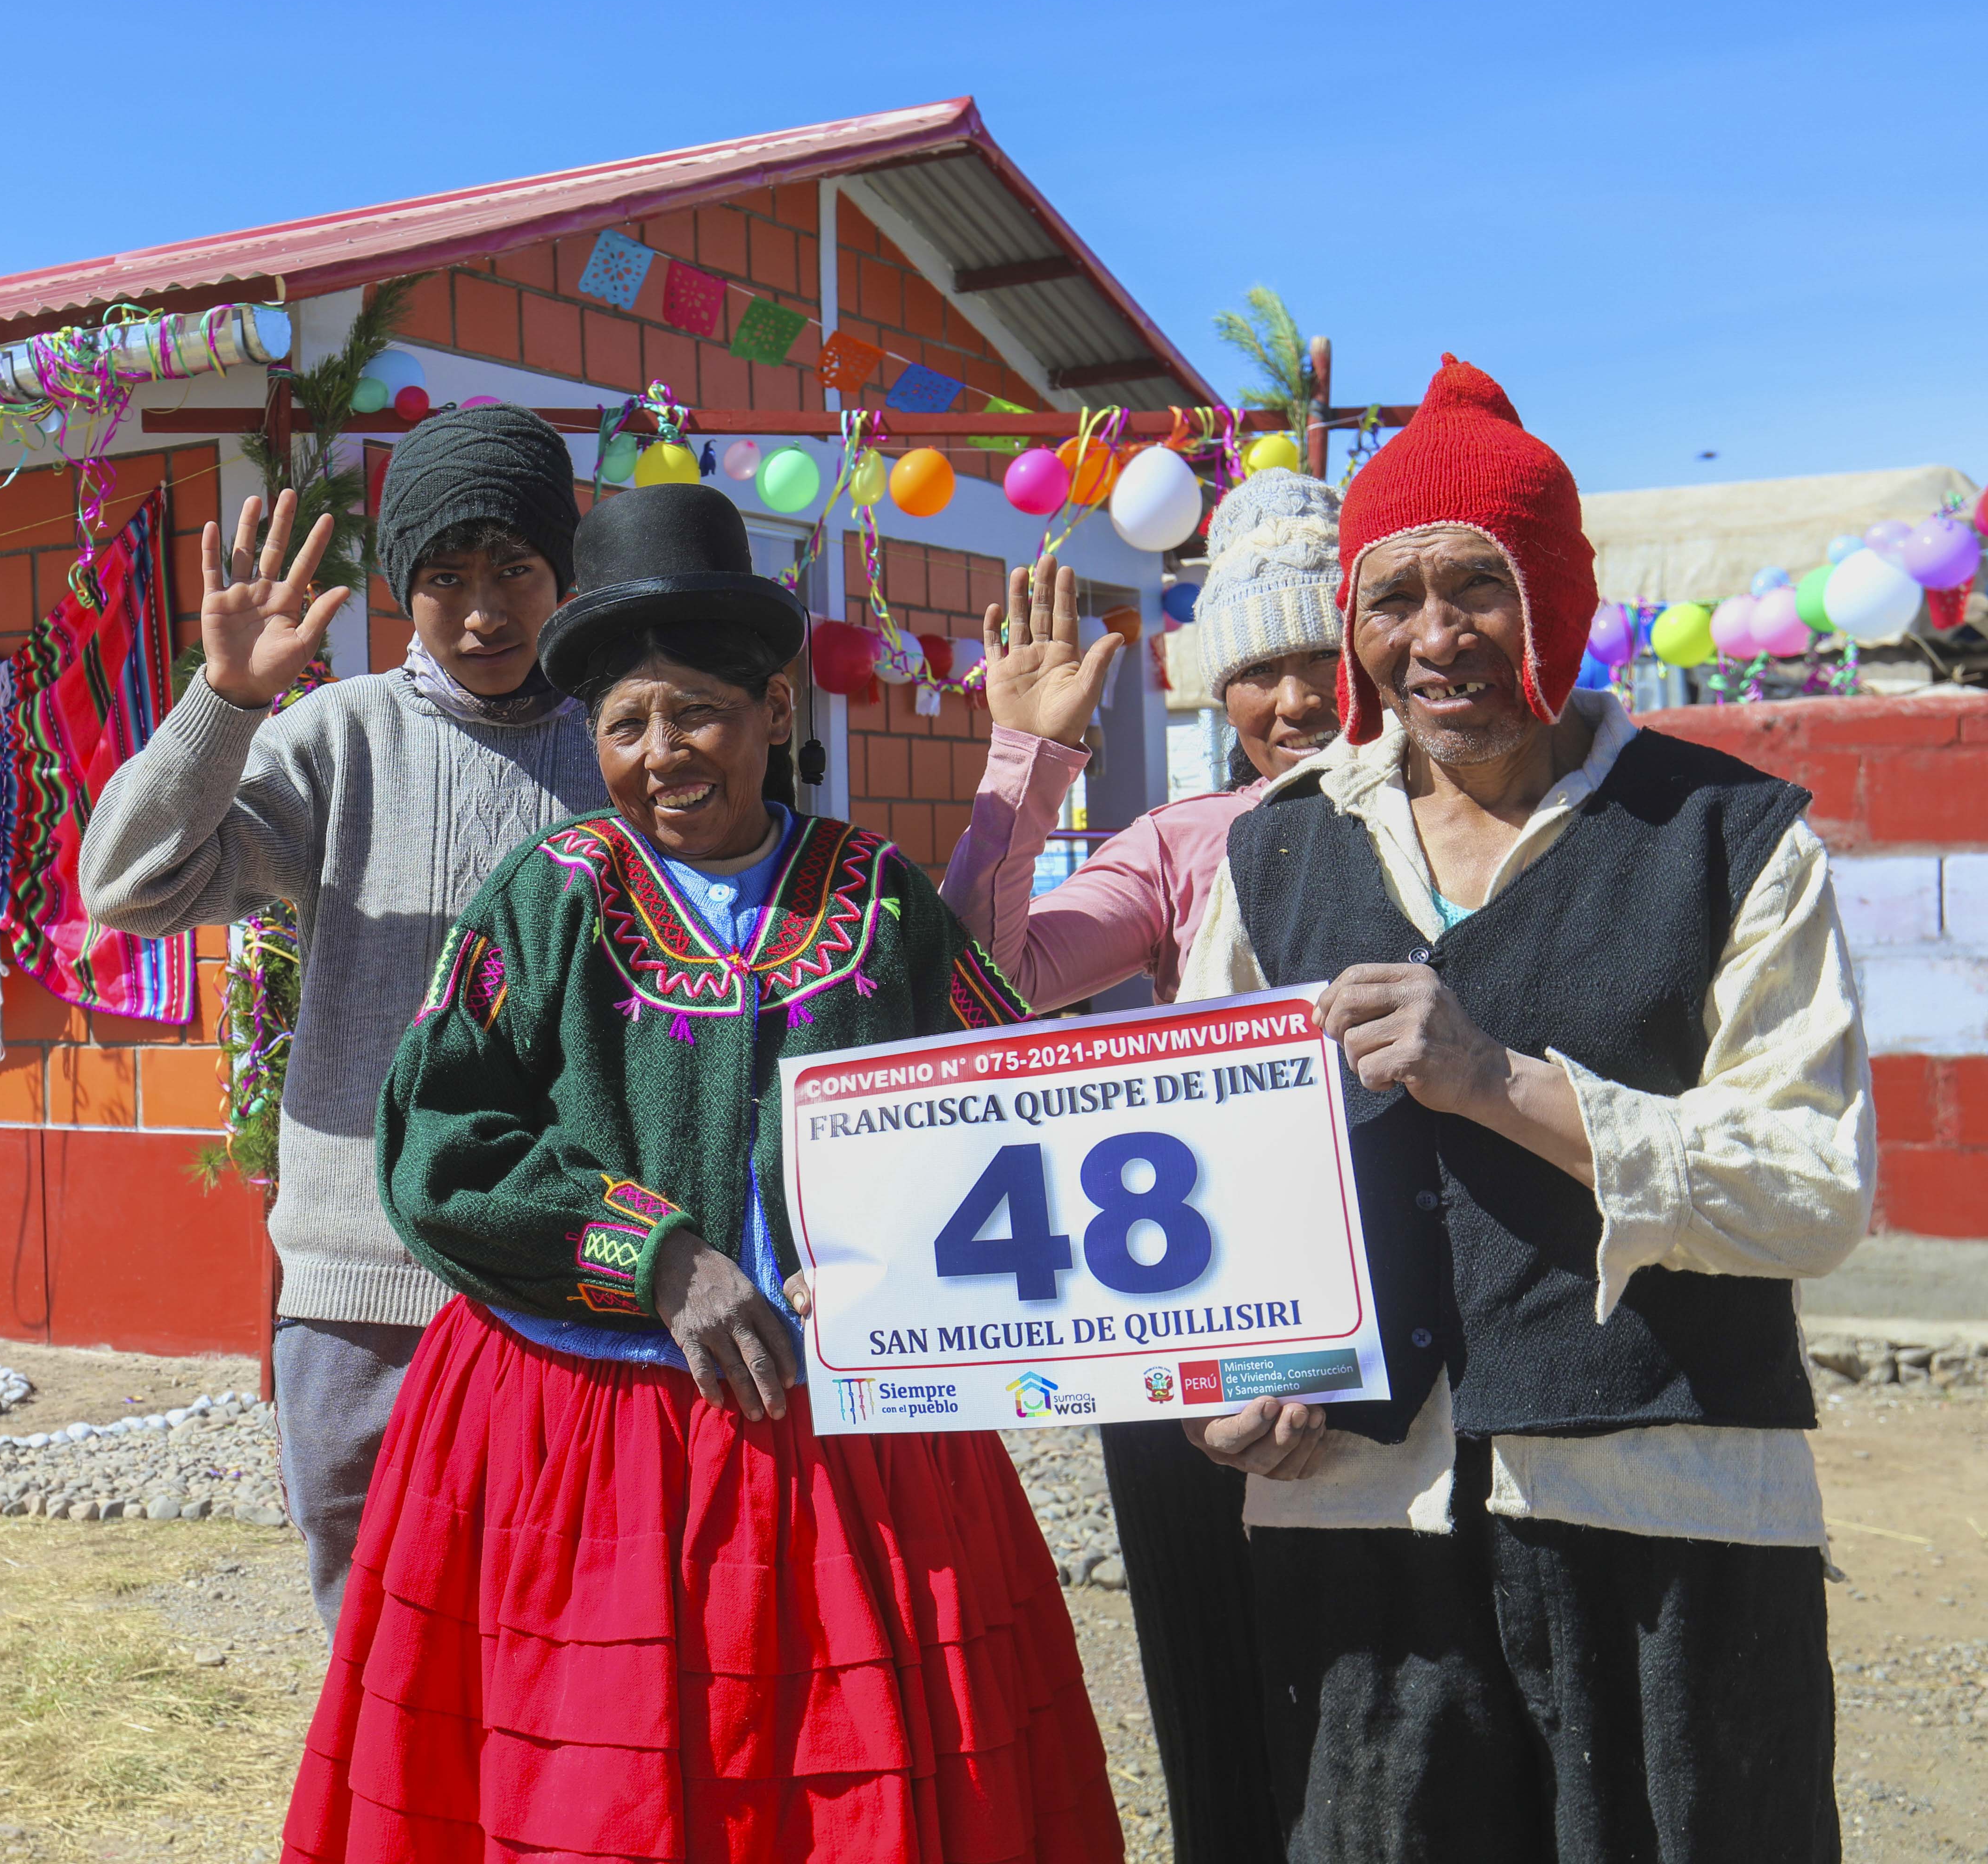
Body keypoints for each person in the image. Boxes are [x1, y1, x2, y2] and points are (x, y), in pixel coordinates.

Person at [285, 482, 1122, 1864]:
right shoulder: (546, 895)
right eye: (624, 724)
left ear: (775, 714)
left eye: (698, 714)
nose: (662, 755)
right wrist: (659, 1255)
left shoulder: (877, 899)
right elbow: (437, 1146)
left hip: (847, 1441)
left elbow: (997, 1107)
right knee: (606, 1787)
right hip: (585, 1429)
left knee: (847, 1785)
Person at [1177, 357, 1870, 1862]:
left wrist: (1499, 1083)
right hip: (1358, 1523)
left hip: (1670, 1515)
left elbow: (1816, 1188)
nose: (1437, 639)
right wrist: (1223, 1374)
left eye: (1477, 587)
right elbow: (1202, 1168)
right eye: (1393, 597)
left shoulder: (1723, 837)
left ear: (1554, 595)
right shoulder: (1276, 859)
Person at [80, 404, 605, 1631]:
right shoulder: (343, 738)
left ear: (562, 577)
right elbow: (128, 887)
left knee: (558, 1628)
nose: (483, 611)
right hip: (359, 1290)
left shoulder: (616, 749)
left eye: (515, 570)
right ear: (398, 588)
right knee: (379, 1636)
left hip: (570, 1280)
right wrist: (224, 701)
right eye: (444, 577)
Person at [937, 468, 1344, 1864]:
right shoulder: (1177, 847)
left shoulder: (1464, 823)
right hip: (1187, 1344)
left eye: (1322, 662)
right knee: (1215, 1705)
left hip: (1404, 1344)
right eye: (1261, 671)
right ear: (1214, 693)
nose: (1297, 704)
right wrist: (1026, 762)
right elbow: (982, 980)